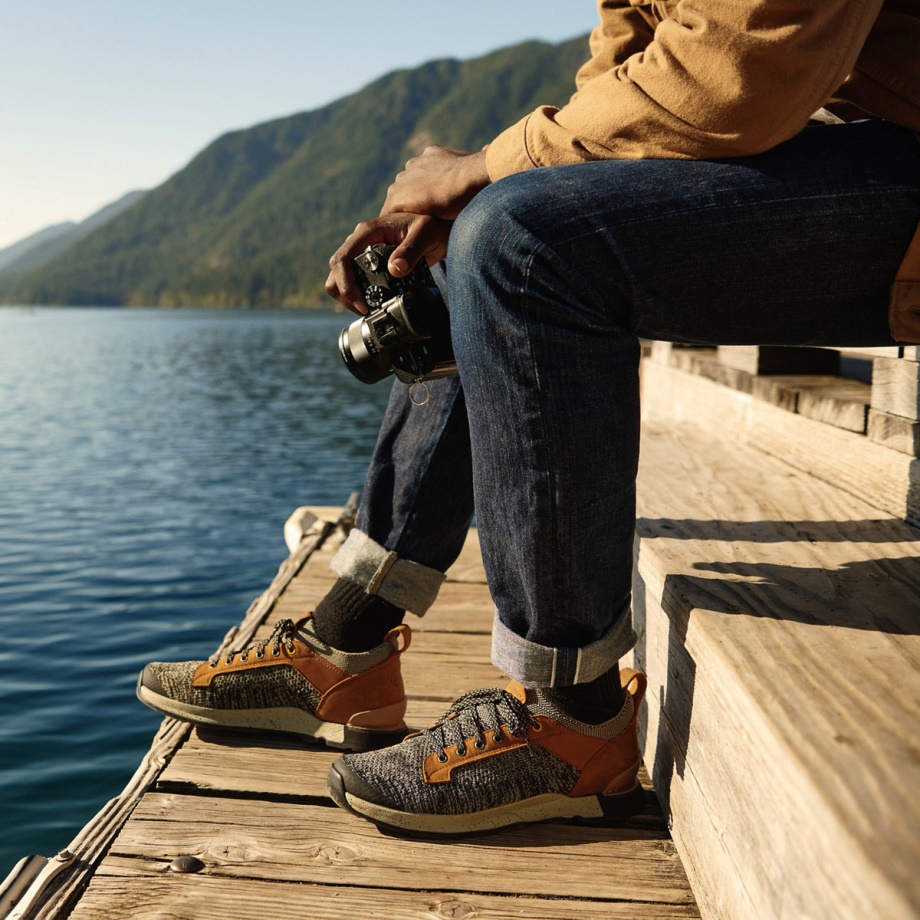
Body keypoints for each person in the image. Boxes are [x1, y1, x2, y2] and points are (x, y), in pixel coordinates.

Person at [138, 0, 920, 835]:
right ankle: (350, 645)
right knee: (456, 248)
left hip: (888, 162)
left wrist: (486, 169)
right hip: (833, 151)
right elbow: (620, 77)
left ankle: (570, 714)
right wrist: (472, 190)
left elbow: (743, 72)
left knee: (521, 241)